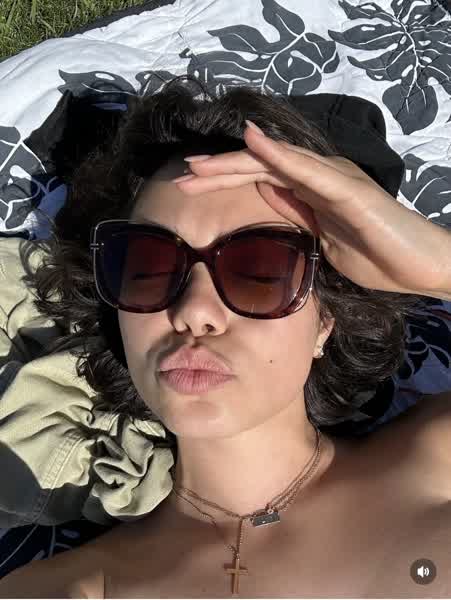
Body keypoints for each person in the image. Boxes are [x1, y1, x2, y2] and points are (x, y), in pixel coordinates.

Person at [1, 74, 451, 599]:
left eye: (259, 270)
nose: (194, 311)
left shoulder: (436, 461)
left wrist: (438, 266)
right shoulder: (68, 587)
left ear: (325, 321)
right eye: (148, 267)